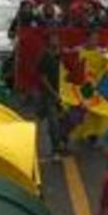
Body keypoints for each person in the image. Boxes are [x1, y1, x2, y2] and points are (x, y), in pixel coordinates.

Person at [38, 32, 67, 161]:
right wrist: (54, 94)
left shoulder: (63, 55)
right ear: (48, 41)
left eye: (57, 38)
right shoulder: (45, 56)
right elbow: (43, 78)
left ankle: (62, 143)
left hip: (64, 94)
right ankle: (55, 150)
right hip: (50, 95)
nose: (55, 41)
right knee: (53, 122)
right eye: (53, 39)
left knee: (65, 120)